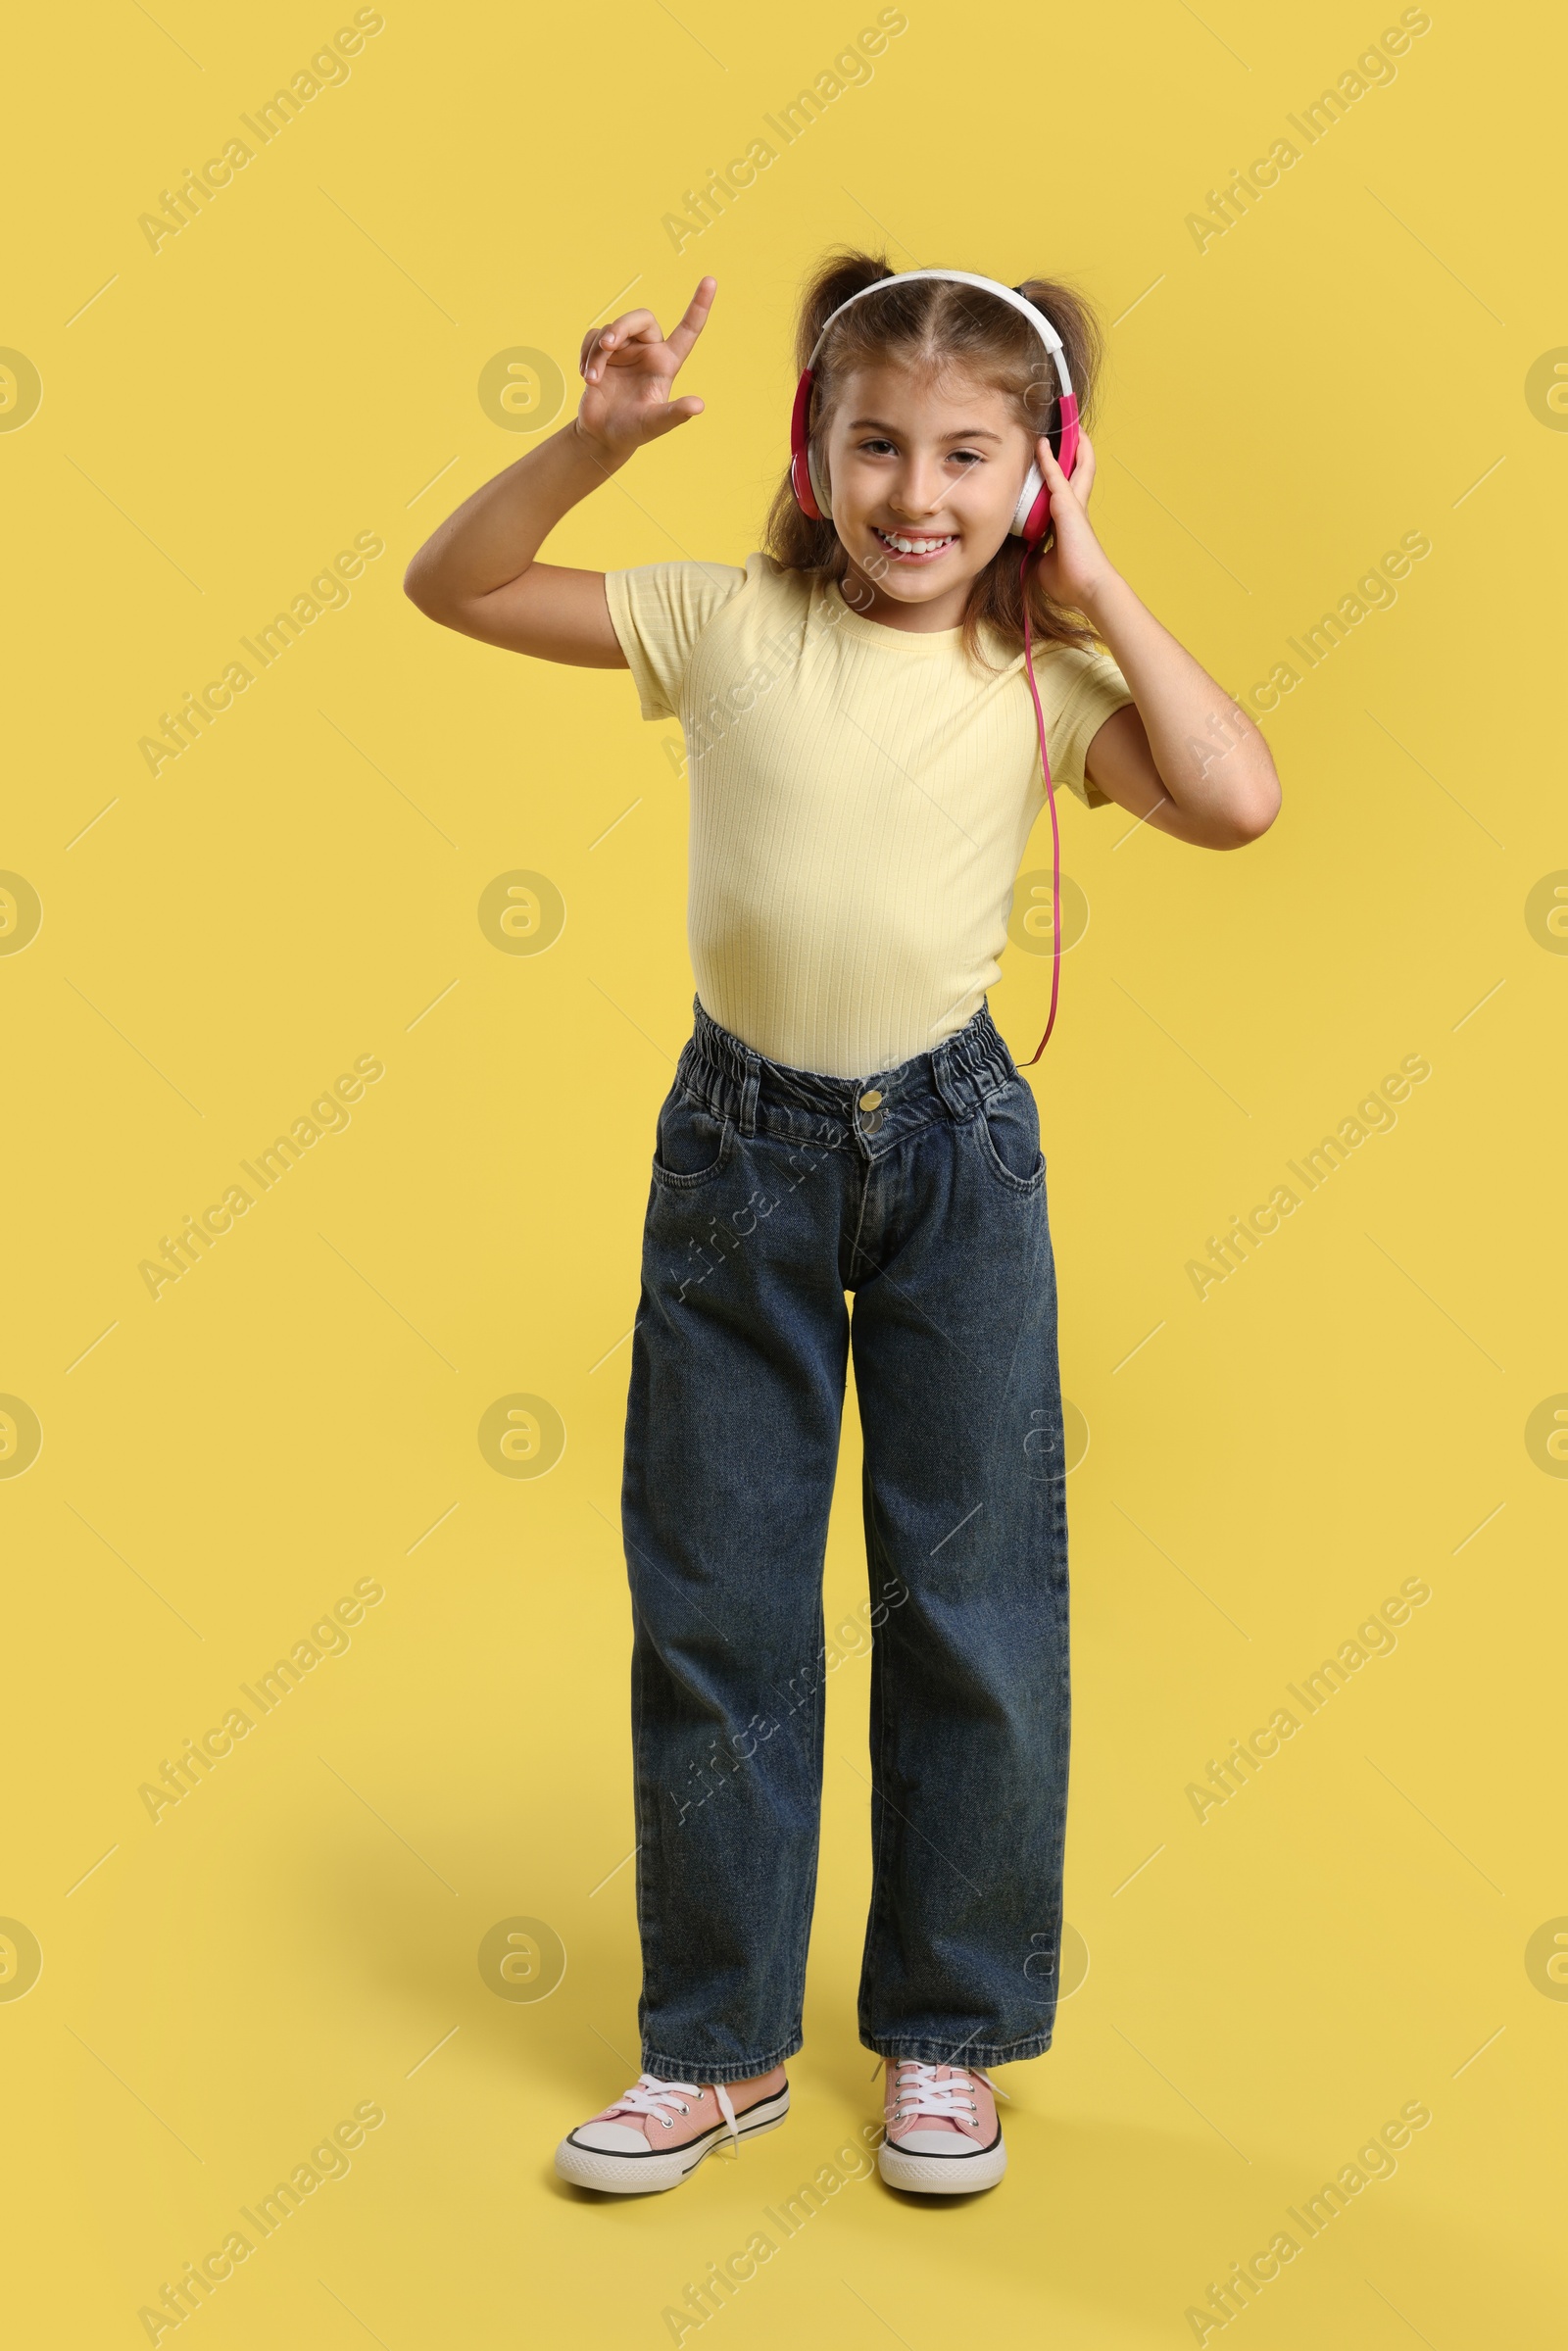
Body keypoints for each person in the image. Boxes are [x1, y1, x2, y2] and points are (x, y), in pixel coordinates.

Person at [405, 252, 1280, 2198]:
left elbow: (1233, 798)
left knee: (967, 1609)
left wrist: (1093, 570)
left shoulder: (1041, 682)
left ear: (1039, 469)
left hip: (953, 1157)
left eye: (971, 456)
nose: (915, 494)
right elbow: (453, 585)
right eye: (873, 444)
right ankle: (716, 2048)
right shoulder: (724, 629)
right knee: (717, 1603)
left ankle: (943, 2038)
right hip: (737, 1151)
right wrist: (586, 440)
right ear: (808, 453)